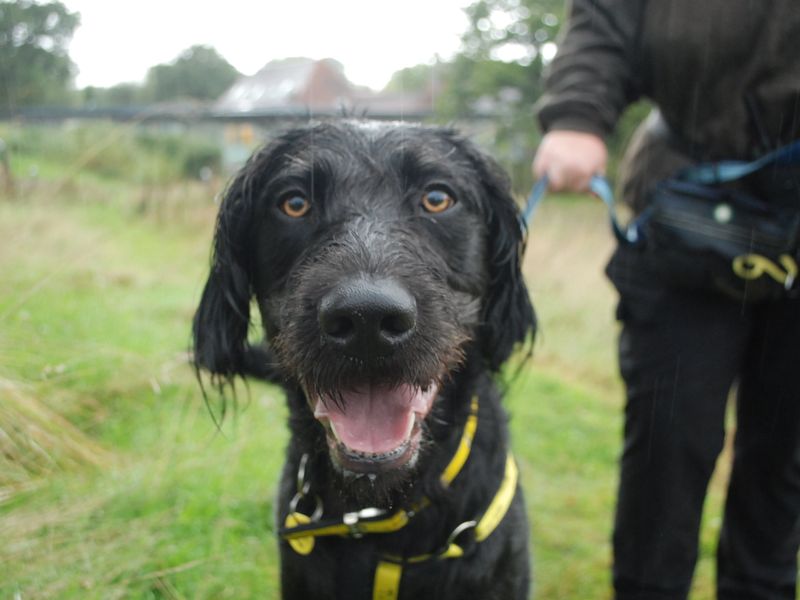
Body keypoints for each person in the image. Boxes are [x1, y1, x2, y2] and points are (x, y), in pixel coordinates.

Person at [532, 1, 800, 599]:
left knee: (784, 462)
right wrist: (576, 114)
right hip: (685, 213)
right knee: (667, 453)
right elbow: (604, 22)